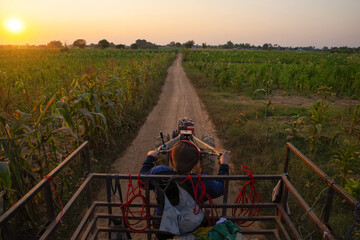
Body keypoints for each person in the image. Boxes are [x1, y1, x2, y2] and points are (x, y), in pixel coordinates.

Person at [140, 140, 230, 238]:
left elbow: (142, 182)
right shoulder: (202, 182)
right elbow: (222, 187)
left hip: (162, 225)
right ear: (196, 163)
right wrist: (224, 165)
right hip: (191, 226)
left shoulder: (159, 172)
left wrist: (150, 157)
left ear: (171, 160)